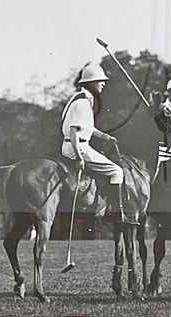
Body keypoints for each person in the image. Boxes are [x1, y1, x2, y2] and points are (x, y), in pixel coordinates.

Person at [60, 62, 126, 214]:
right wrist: (79, 157)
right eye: (100, 81)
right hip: (78, 147)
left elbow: (85, 127)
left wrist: (105, 137)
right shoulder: (83, 102)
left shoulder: (79, 98)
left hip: (74, 145)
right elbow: (74, 131)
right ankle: (116, 212)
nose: (103, 84)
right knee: (117, 171)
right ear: (92, 83)